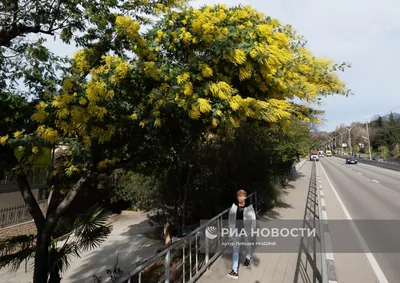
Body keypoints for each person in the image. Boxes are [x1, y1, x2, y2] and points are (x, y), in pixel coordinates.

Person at [227, 189, 256, 280]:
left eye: (241, 196)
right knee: (235, 250)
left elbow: (253, 219)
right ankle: (234, 271)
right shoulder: (234, 205)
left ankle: (248, 257)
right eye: (238, 196)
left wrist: (252, 230)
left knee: (247, 245)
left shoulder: (249, 206)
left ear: (244, 197)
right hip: (236, 230)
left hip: (246, 230)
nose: (239, 198)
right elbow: (230, 217)